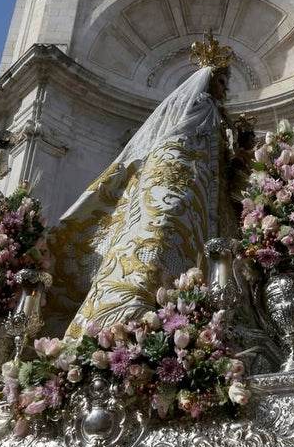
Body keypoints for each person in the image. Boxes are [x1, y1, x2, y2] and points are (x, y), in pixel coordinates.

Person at [45, 33, 241, 337]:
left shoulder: (211, 112)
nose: (224, 90)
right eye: (221, 82)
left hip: (193, 186)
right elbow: (197, 142)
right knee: (164, 236)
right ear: (207, 80)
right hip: (181, 180)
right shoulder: (203, 105)